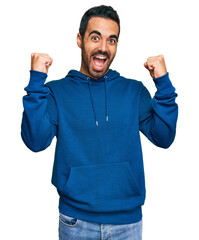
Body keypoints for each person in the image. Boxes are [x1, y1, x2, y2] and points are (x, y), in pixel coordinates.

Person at [21, 5, 178, 240]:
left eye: (111, 40)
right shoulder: (56, 92)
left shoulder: (133, 91)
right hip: (76, 222)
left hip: (127, 223)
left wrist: (163, 84)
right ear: (79, 39)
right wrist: (36, 84)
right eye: (95, 37)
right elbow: (35, 141)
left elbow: (164, 137)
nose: (103, 48)